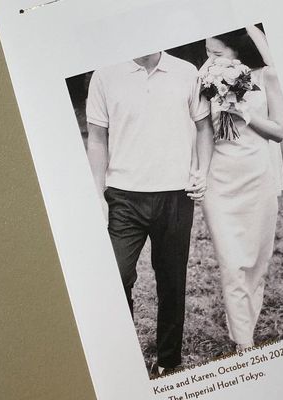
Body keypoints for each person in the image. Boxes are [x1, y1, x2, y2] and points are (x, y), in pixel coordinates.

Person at [85, 51, 211, 377]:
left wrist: (202, 171)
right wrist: (97, 194)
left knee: (172, 281)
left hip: (176, 194)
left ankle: (169, 361)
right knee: (116, 276)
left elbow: (203, 127)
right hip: (123, 195)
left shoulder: (186, 72)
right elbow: (96, 138)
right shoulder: (105, 74)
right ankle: (125, 359)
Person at [196, 27, 283, 350]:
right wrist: (200, 175)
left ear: (238, 49)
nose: (210, 60)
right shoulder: (205, 81)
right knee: (232, 265)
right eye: (207, 52)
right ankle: (245, 345)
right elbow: (204, 133)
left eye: (217, 53)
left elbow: (278, 131)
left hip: (258, 177)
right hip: (220, 182)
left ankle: (242, 328)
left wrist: (243, 112)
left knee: (257, 265)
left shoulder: (267, 77)